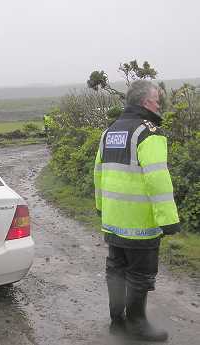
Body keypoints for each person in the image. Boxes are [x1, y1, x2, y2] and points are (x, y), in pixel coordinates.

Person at [94, 80, 180, 342]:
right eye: (156, 99)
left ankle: (117, 322)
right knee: (140, 275)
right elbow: (158, 179)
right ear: (145, 102)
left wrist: (100, 208)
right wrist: (169, 220)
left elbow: (97, 173)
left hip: (114, 222)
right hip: (140, 224)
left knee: (116, 270)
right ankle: (138, 324)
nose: (159, 103)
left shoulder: (110, 131)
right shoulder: (149, 133)